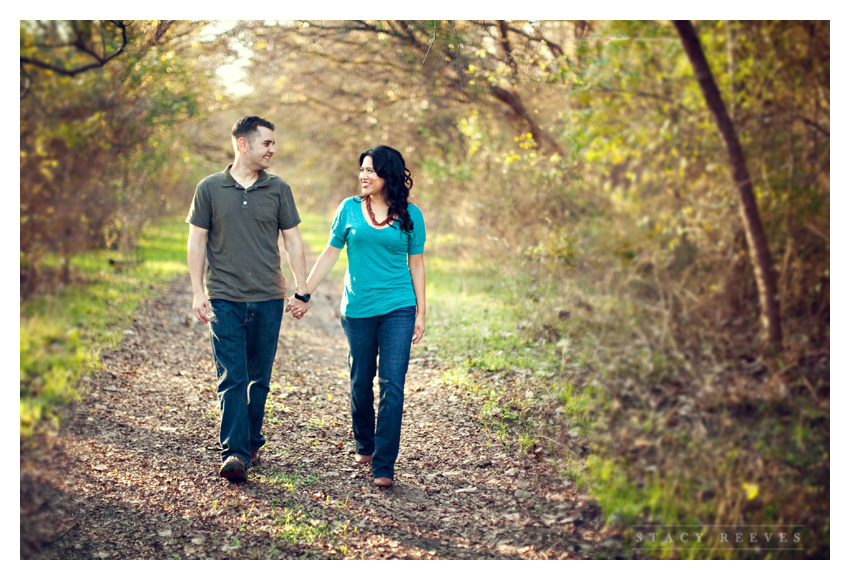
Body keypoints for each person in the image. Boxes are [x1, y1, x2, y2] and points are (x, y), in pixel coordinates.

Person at [186, 115, 312, 483]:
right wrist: (197, 290)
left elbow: (292, 241)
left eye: (273, 143)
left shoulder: (278, 190)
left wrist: (301, 289)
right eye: (267, 143)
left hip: (268, 298)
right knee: (232, 378)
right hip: (225, 297)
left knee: (260, 379)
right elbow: (196, 240)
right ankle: (235, 453)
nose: (273, 149)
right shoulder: (209, 188)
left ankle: (252, 438)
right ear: (243, 144)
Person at [293, 145, 426, 488]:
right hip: (358, 310)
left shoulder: (412, 215)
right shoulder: (349, 210)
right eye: (362, 169)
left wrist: (421, 311)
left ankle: (384, 463)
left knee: (392, 385)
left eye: (372, 170)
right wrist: (303, 290)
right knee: (360, 380)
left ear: (389, 176)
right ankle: (364, 442)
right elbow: (329, 254)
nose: (364, 176)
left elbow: (417, 264)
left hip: (399, 307)